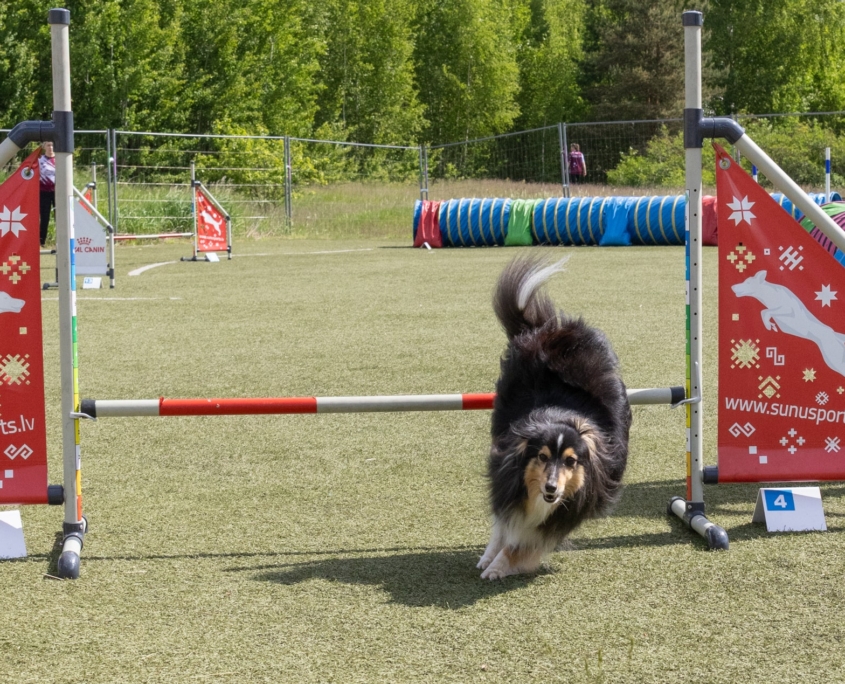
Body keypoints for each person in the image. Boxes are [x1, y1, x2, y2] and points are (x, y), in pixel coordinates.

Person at [39, 141, 56, 246]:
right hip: (43, 192)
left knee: (60, 217)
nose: (51, 147)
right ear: (44, 146)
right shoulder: (40, 160)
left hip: (58, 193)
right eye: (48, 145)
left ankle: (62, 240)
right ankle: (41, 241)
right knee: (44, 217)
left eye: (52, 145)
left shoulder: (60, 159)